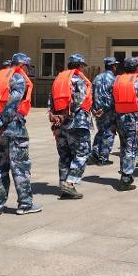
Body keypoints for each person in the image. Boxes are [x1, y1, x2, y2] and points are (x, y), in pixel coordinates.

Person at [0, 52, 41, 217]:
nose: (27, 70)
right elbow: (12, 106)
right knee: (20, 168)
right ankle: (25, 204)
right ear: (22, 65)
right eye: (27, 66)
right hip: (14, 131)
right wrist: (1, 124)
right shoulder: (18, 79)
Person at [48, 53, 93, 199]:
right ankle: (70, 182)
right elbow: (78, 100)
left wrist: (57, 117)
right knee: (82, 153)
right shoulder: (78, 79)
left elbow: (51, 101)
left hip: (60, 124)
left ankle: (64, 185)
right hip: (76, 123)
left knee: (65, 155)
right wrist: (67, 114)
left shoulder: (58, 79)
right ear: (80, 66)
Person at [112, 57, 138, 190]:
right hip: (134, 119)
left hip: (120, 119)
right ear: (137, 68)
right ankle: (126, 178)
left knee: (125, 146)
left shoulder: (117, 81)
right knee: (131, 149)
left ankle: (125, 172)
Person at [88, 57, 119, 166]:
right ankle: (103, 157)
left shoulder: (97, 78)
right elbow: (112, 97)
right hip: (108, 111)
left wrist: (94, 110)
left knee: (101, 131)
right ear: (113, 66)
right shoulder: (113, 79)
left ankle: (95, 153)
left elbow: (90, 94)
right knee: (109, 133)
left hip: (97, 111)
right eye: (115, 65)